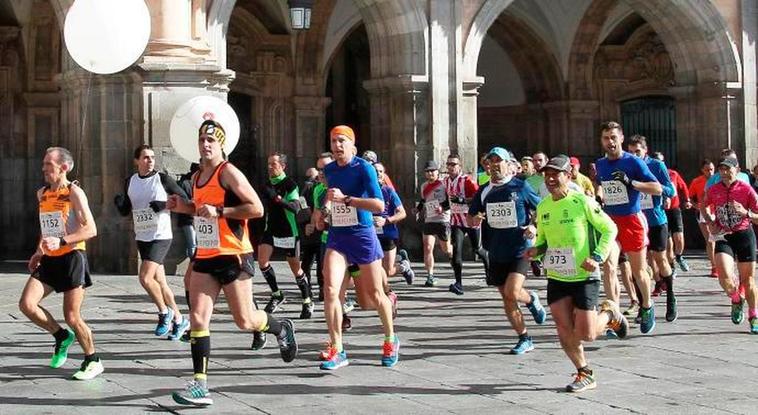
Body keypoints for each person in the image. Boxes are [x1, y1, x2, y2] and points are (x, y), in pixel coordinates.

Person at [168, 120, 297, 406]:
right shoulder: (199, 174)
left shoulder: (228, 172)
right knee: (199, 318)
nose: (206, 144)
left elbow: (256, 208)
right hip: (205, 255)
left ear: (221, 144)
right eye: (202, 139)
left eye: (211, 140)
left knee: (245, 320)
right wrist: (182, 206)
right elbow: (202, 210)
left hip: (233, 254)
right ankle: (200, 385)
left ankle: (280, 327)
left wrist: (221, 211)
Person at [526, 154, 627, 393]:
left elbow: (610, 228)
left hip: (584, 275)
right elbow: (543, 242)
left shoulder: (582, 201)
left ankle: (610, 313)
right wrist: (536, 251)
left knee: (587, 334)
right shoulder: (543, 206)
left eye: (555, 174)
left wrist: (598, 257)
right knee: (563, 327)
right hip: (558, 276)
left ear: (568, 175)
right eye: (547, 175)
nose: (550, 179)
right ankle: (584, 372)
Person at [314, 125, 398, 370]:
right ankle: (337, 348)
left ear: (352, 145)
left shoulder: (364, 168)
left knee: (374, 295)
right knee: (330, 291)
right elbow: (330, 198)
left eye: (342, 141)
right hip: (338, 236)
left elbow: (378, 204)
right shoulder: (329, 170)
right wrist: (324, 212)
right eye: (333, 141)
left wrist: (348, 200)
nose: (337, 146)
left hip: (362, 234)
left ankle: (390, 339)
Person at [19, 146, 103, 380]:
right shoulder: (42, 194)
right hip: (49, 259)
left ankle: (93, 360)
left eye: (49, 164)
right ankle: (61, 336)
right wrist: (38, 251)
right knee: (27, 304)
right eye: (44, 163)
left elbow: (91, 229)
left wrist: (63, 240)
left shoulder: (74, 192)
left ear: (63, 167)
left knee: (73, 316)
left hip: (72, 258)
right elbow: (46, 228)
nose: (43, 168)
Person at [468, 146, 546, 355]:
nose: (494, 165)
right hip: (496, 250)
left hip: (520, 248)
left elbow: (542, 208)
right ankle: (524, 337)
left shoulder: (521, 187)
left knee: (512, 291)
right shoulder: (483, 190)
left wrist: (534, 226)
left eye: (498, 161)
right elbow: (471, 216)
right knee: (507, 297)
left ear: (509, 165)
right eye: (490, 162)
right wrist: (474, 220)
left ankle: (531, 300)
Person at [114, 144, 190, 339]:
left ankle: (165, 313)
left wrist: (164, 204)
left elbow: (185, 199)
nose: (150, 161)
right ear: (137, 161)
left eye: (153, 157)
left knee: (145, 278)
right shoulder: (130, 181)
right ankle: (181, 320)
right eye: (146, 157)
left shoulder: (162, 179)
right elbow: (127, 210)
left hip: (160, 236)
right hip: (142, 235)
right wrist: (120, 204)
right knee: (161, 283)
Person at [595, 121, 662, 334]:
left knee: (638, 271)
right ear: (602, 141)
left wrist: (631, 183)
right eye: (606, 138)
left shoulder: (633, 162)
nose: (610, 142)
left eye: (614, 137)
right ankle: (614, 316)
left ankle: (647, 305)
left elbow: (657, 188)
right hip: (611, 223)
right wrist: (599, 195)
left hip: (632, 221)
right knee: (608, 267)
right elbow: (601, 183)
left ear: (621, 138)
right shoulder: (601, 164)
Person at [701, 157, 758, 334]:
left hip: (744, 235)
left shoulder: (746, 190)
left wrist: (746, 212)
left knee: (748, 280)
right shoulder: (714, 189)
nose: (725, 173)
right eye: (722, 170)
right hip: (724, 235)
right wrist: (710, 220)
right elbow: (703, 206)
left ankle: (753, 316)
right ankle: (735, 298)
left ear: (737, 170)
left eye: (728, 169)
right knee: (724, 277)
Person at [627, 136, 678, 323]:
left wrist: (654, 190)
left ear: (645, 151)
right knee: (637, 266)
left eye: (637, 152)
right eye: (631, 152)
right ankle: (643, 306)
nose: (634, 155)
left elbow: (670, 190)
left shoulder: (656, 166)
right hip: (634, 221)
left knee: (660, 259)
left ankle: (671, 296)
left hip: (656, 220)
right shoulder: (626, 165)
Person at [257, 152, 313, 319]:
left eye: (273, 164)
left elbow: (295, 208)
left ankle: (307, 300)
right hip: (271, 228)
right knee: (262, 261)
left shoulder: (290, 184)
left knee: (295, 268)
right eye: (268, 164)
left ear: (283, 166)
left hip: (288, 230)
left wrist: (278, 199)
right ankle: (276, 294)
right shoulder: (266, 185)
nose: (269, 167)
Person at [444, 153, 488, 295]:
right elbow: (448, 200)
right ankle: (458, 283)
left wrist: (462, 200)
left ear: (460, 166)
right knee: (456, 251)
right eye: (448, 164)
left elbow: (478, 199)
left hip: (472, 219)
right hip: (456, 220)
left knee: (478, 250)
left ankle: (489, 270)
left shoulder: (467, 181)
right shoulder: (445, 181)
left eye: (454, 164)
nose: (450, 167)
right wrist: (442, 207)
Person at [651, 152, 691, 272]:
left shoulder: (672, 174)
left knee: (679, 237)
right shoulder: (649, 176)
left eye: (661, 162)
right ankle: (671, 266)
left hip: (674, 208)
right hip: (660, 211)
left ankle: (679, 256)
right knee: (668, 242)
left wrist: (687, 200)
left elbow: (683, 187)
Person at [418, 160, 453, 287]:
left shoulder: (444, 185)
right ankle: (430, 275)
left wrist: (442, 208)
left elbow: (451, 202)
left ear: (437, 172)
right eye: (427, 171)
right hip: (429, 219)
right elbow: (423, 200)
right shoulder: (423, 186)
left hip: (443, 219)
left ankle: (454, 259)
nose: (430, 173)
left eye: (432, 171)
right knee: (427, 247)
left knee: (446, 249)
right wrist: (418, 209)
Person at [689, 159, 718, 278]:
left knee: (719, 240)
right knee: (710, 240)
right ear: (702, 170)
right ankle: (714, 266)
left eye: (711, 169)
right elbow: (690, 197)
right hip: (703, 212)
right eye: (707, 170)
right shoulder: (697, 181)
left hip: (717, 211)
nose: (710, 172)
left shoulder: (719, 179)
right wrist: (697, 207)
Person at [299, 165, 322, 308]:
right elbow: (302, 205)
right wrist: (307, 224)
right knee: (306, 263)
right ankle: (308, 291)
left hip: (322, 230)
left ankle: (322, 289)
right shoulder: (309, 187)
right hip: (310, 231)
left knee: (321, 263)